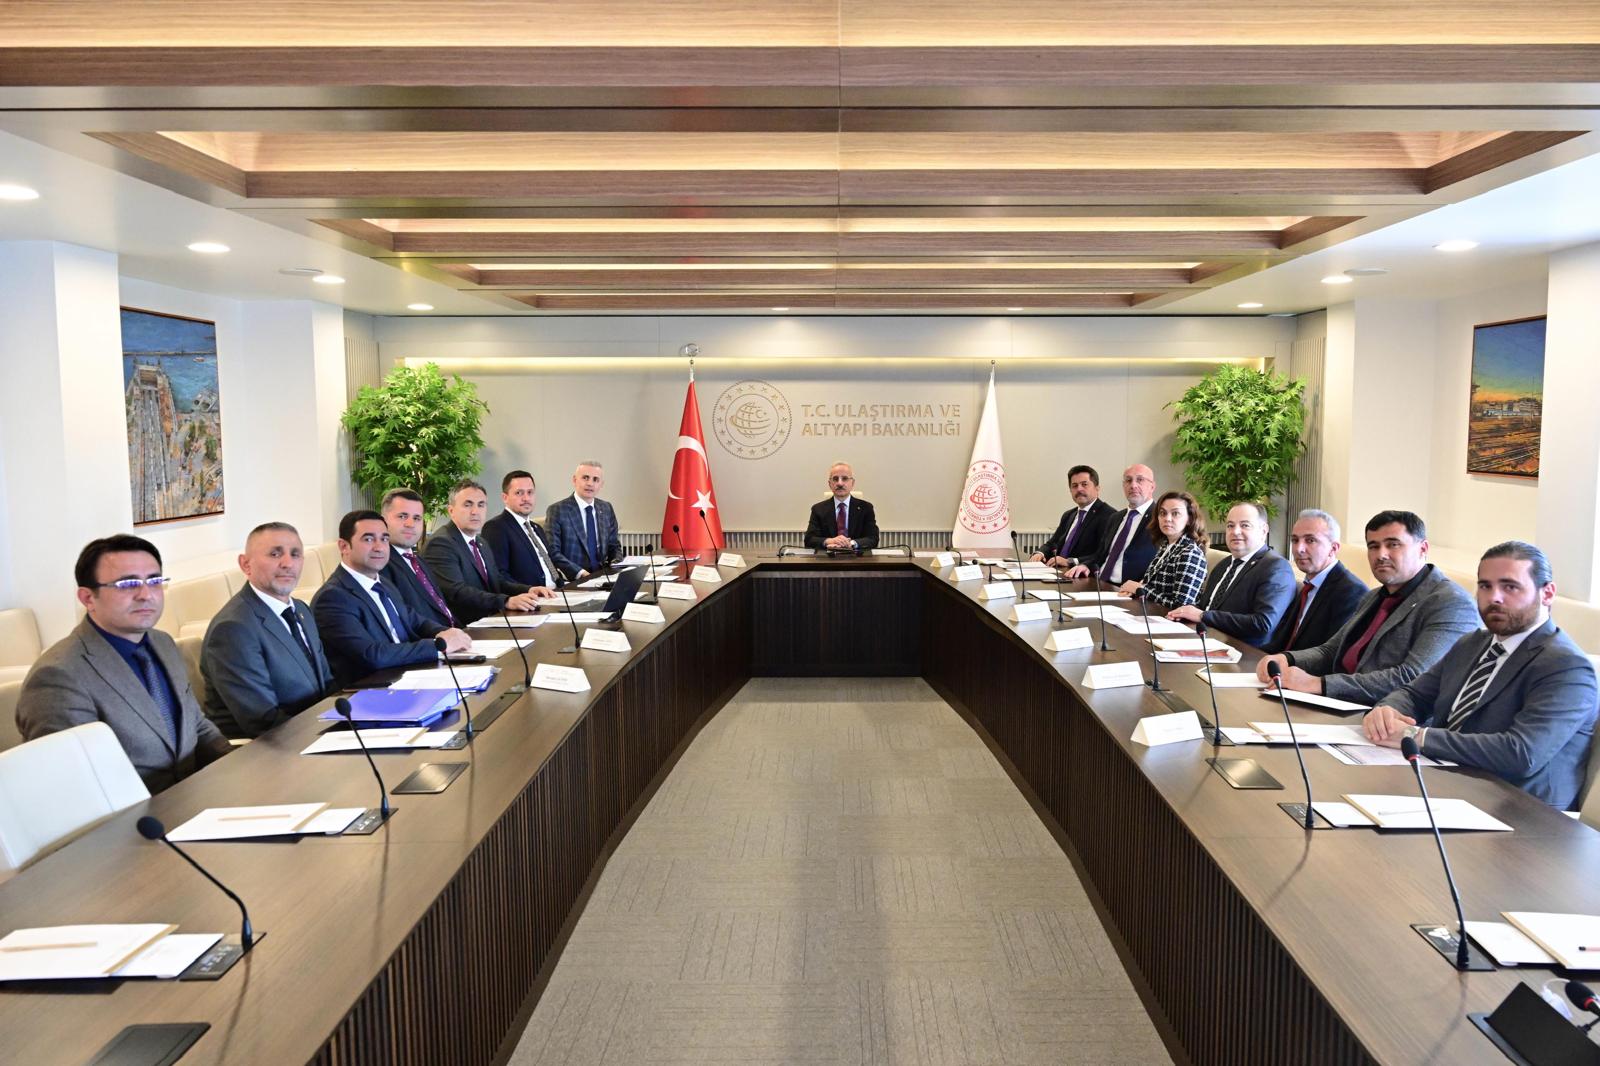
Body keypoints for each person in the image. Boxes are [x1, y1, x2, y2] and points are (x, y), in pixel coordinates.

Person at [1363, 541, 1598, 809]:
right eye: (1485, 586)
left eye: (1510, 587)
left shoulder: (1567, 668)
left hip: (1519, 812)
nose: (1494, 597)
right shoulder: (1472, 643)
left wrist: (1416, 736)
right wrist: (1386, 711)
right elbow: (1414, 694)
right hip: (1445, 784)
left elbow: (1520, 754)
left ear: (1547, 594)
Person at [15, 534, 231, 792]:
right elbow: (75, 785)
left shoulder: (162, 643)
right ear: (88, 598)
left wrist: (238, 768)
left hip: (194, 794)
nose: (146, 595)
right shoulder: (58, 676)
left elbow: (196, 724)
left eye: (154, 581)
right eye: (128, 584)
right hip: (135, 813)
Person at [1255, 510, 1477, 703]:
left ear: (1423, 548)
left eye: (1393, 544)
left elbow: (1412, 677)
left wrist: (1319, 684)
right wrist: (1287, 659)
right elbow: (1330, 651)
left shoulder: (1452, 603)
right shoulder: (1375, 596)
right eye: (1373, 546)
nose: (1381, 555)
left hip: (1390, 722)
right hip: (1339, 705)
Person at [200, 522, 333, 739]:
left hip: (316, 730)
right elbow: (263, 720)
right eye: (275, 554)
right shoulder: (233, 628)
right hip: (270, 747)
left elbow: (327, 684)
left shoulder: (301, 610)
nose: (288, 563)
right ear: (245, 564)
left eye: (295, 554)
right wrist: (329, 734)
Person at [313, 510, 472, 687]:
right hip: (373, 689)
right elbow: (372, 655)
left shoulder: (384, 583)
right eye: (368, 539)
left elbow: (415, 621)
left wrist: (450, 633)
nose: (379, 547)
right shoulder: (332, 598)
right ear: (344, 546)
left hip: (410, 674)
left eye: (384, 539)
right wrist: (438, 645)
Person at [423, 479, 554, 625]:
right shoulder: (441, 543)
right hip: (464, 626)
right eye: (468, 505)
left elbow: (497, 581)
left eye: (481, 505)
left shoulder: (480, 542)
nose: (475, 511)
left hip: (491, 619)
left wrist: (529, 589)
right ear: (451, 511)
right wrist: (506, 601)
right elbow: (457, 592)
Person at [1169, 501, 1295, 649]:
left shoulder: (1276, 568)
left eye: (1245, 525)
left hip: (1243, 652)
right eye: (1230, 525)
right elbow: (1206, 607)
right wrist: (1183, 612)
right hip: (1205, 640)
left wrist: (1203, 616)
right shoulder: (1224, 564)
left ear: (1263, 530)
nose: (1235, 531)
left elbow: (1262, 624)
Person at [1264, 509, 1367, 654]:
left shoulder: (1352, 593)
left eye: (1310, 540)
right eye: (1295, 540)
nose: (1298, 549)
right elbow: (1281, 643)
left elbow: (1332, 655)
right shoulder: (1307, 586)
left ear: (1333, 548)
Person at [379, 487, 457, 630]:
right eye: (402, 516)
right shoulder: (380, 564)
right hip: (430, 640)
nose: (410, 524)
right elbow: (402, 617)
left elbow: (441, 609)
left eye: (416, 518)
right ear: (383, 521)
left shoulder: (418, 561)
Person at [1065, 464, 1157, 584]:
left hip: (1129, 589)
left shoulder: (1159, 518)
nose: (1133, 485)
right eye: (1128, 480)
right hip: (1099, 583)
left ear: (1152, 486)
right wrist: (1085, 565)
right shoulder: (1115, 517)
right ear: (1123, 486)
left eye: (1140, 480)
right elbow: (1100, 555)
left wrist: (1143, 586)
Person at [1117, 491, 1207, 611]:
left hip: (1169, 620)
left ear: (1189, 519)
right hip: (1150, 612)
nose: (1167, 519)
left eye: (1175, 513)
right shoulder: (1166, 545)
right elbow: (1150, 584)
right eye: (1163, 513)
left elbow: (1181, 607)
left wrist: (1139, 589)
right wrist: (1134, 589)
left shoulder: (1190, 553)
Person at [481, 470, 567, 590]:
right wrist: (529, 591)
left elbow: (551, 566)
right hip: (531, 597)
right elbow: (499, 576)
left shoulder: (536, 528)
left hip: (558, 592)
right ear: (505, 497)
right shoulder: (496, 527)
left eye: (530, 492)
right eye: (519, 493)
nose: (526, 498)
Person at [545, 460, 624, 579]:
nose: (590, 484)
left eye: (595, 479)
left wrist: (615, 565)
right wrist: (581, 573)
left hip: (604, 576)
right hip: (574, 579)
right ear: (574, 480)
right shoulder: (558, 510)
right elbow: (552, 552)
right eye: (585, 478)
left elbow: (614, 546)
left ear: (601, 484)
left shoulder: (606, 508)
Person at [1031, 464, 1117, 567]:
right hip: (1057, 570)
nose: (1079, 489)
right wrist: (1040, 553)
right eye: (1075, 486)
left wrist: (1071, 561)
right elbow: (1053, 543)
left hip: (1082, 573)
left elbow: (1103, 554)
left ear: (1097, 488)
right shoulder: (1069, 515)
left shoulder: (1110, 516)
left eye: (1084, 484)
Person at [804, 462, 880, 552]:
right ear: (830, 484)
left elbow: (873, 538)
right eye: (835, 479)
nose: (840, 483)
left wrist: (851, 543)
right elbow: (809, 539)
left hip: (857, 557)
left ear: (852, 483)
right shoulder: (818, 509)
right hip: (827, 557)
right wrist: (829, 541)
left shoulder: (866, 508)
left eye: (845, 478)